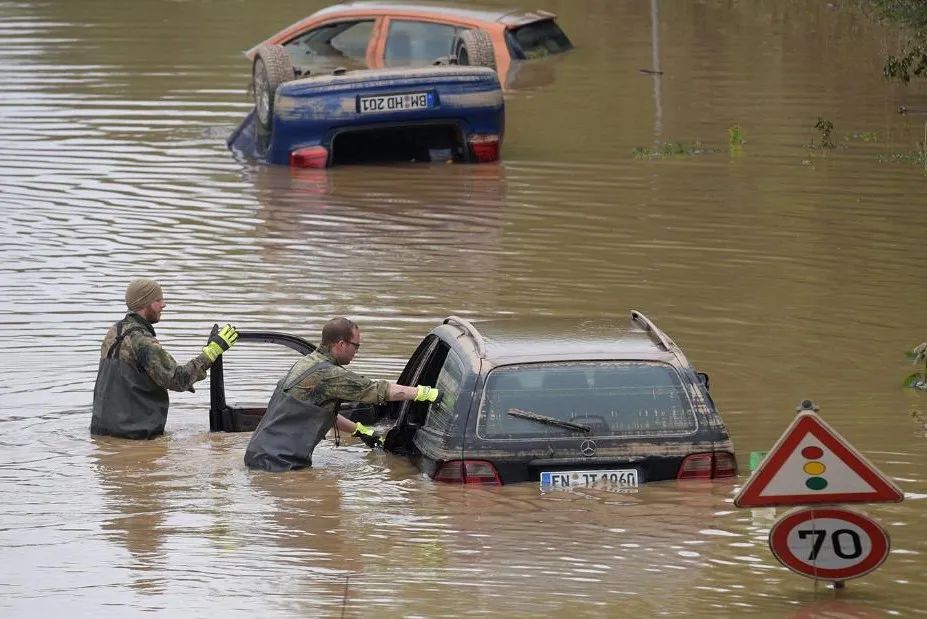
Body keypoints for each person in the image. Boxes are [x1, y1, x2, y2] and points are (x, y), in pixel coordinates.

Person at [244, 316, 440, 472]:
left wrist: (359, 430)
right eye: (356, 346)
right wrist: (425, 393)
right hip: (278, 466)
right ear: (341, 344)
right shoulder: (330, 375)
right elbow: (378, 390)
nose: (357, 352)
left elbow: (318, 411)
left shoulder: (307, 363)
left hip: (259, 456)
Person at [91, 278, 239, 439]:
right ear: (144, 303)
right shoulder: (142, 341)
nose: (163, 304)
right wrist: (212, 351)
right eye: (158, 300)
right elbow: (178, 378)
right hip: (136, 438)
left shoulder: (114, 332)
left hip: (102, 433)